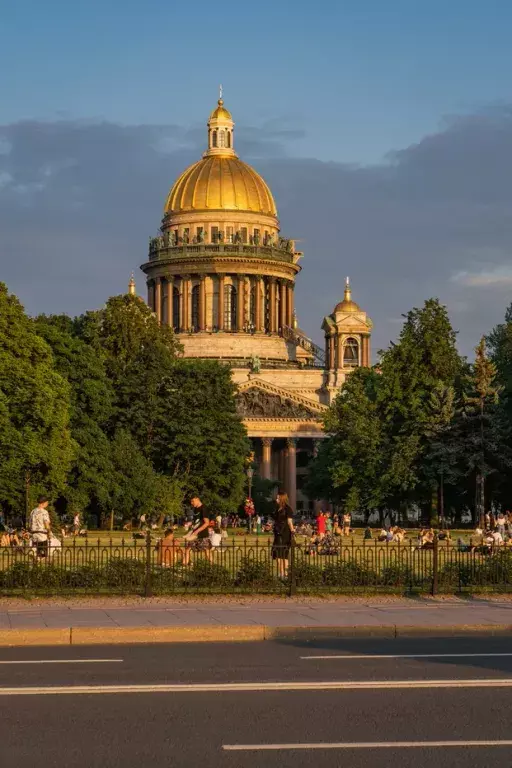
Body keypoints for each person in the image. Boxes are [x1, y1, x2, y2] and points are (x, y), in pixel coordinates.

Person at [272, 491, 295, 579]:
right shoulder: (277, 508)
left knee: (283, 554)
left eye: (278, 498)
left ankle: (284, 574)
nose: (276, 499)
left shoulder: (288, 509)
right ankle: (282, 573)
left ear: (282, 499)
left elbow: (289, 522)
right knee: (278, 554)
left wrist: (292, 531)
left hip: (285, 533)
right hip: (277, 533)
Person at [183, 494, 212, 564]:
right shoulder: (195, 509)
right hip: (194, 534)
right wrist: (189, 524)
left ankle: (211, 567)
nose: (192, 503)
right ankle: (184, 566)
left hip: (202, 534)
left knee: (206, 551)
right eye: (191, 502)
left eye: (193, 501)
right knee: (187, 549)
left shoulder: (204, 508)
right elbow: (196, 521)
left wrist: (197, 531)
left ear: (197, 499)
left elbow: (207, 523)